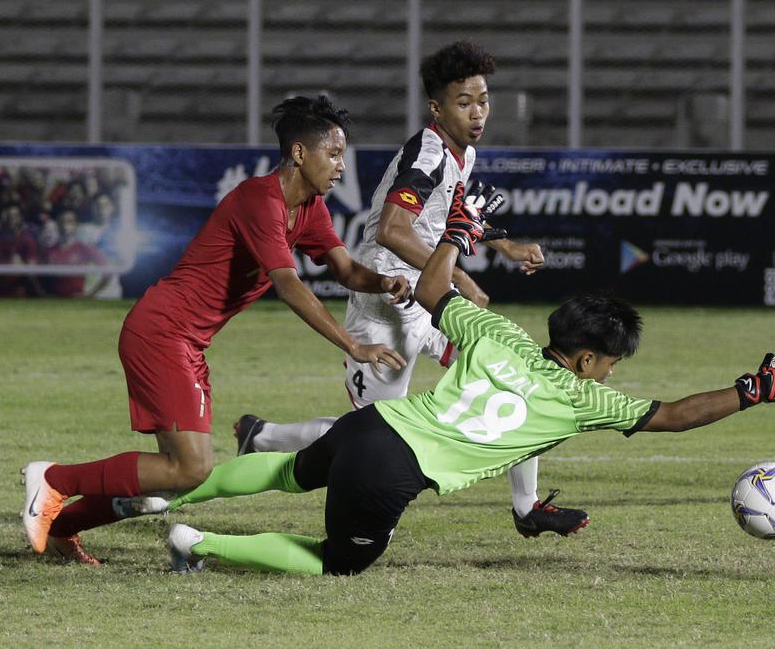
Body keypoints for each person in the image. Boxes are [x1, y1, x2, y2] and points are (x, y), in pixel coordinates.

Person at [162, 181, 775, 576]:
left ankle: (172, 499)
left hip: (373, 424)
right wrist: (752, 391)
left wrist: (456, 232)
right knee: (343, 560)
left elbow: (430, 288)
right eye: (613, 359)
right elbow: (674, 415)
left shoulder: (495, 332)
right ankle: (201, 543)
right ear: (588, 359)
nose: (615, 370)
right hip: (394, 469)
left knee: (285, 472)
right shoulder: (584, 399)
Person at [19, 95, 412, 565]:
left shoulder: (308, 209)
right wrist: (354, 345)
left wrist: (383, 281)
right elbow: (287, 287)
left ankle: (65, 525)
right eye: (333, 154)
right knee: (190, 467)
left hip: (186, 341)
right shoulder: (260, 200)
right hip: (162, 331)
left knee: (179, 474)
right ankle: (56, 480)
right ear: (300, 154)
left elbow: (346, 270)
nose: (342, 167)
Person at [233, 40, 574, 538]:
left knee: (513, 376)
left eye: (482, 100)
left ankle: (527, 508)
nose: (477, 112)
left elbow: (450, 213)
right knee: (372, 437)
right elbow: (394, 229)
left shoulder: (463, 152)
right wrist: (459, 276)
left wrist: (505, 245)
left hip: (428, 294)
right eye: (464, 102)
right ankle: (264, 438)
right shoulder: (428, 152)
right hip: (387, 297)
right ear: (437, 107)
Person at [43, 208, 109, 298]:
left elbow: (108, 272)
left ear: (76, 225)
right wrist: (42, 294)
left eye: (69, 222)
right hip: (54, 302)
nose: (65, 225)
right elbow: (36, 275)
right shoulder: (48, 251)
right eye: (61, 221)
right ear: (57, 224)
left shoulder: (84, 249)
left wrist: (90, 294)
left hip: (76, 302)